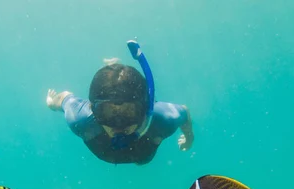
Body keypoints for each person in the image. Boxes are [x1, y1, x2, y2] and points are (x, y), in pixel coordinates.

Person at [47, 41, 194, 165]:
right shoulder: (82, 119)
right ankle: (113, 70)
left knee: (141, 161)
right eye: (108, 112)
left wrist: (189, 138)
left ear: (144, 109)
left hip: (142, 116)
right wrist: (52, 103)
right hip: (142, 146)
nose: (118, 124)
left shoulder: (161, 119)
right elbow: (64, 98)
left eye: (129, 112)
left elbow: (184, 112)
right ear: (92, 109)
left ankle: (115, 71)